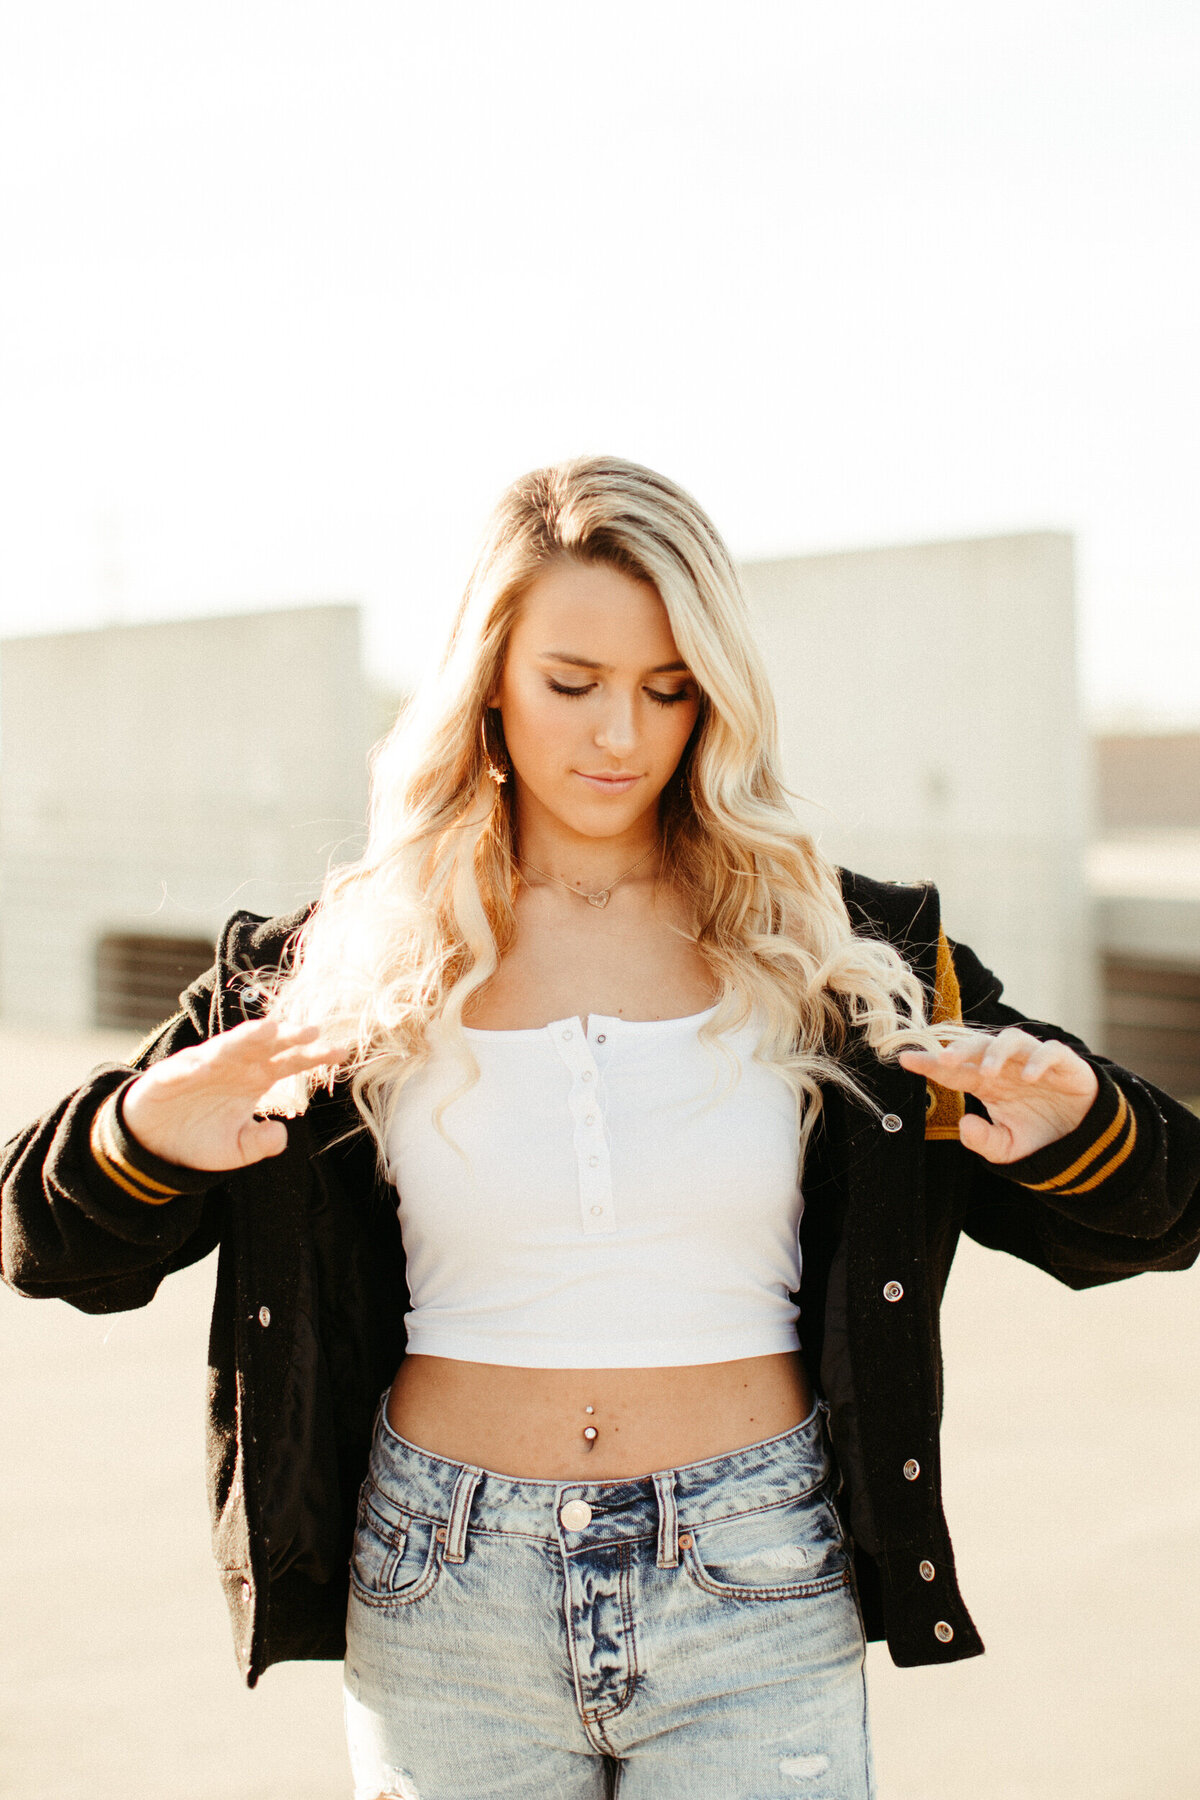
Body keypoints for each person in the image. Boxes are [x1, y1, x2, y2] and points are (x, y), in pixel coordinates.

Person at [2, 456, 1198, 1800]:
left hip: (754, 1580)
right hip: (442, 1589)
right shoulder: (339, 964)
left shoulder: (841, 954)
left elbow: (1165, 1212)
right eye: (573, 683)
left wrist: (1083, 1123)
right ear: (490, 680)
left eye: (669, 688)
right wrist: (143, 1138)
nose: (619, 734)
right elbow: (42, 1238)